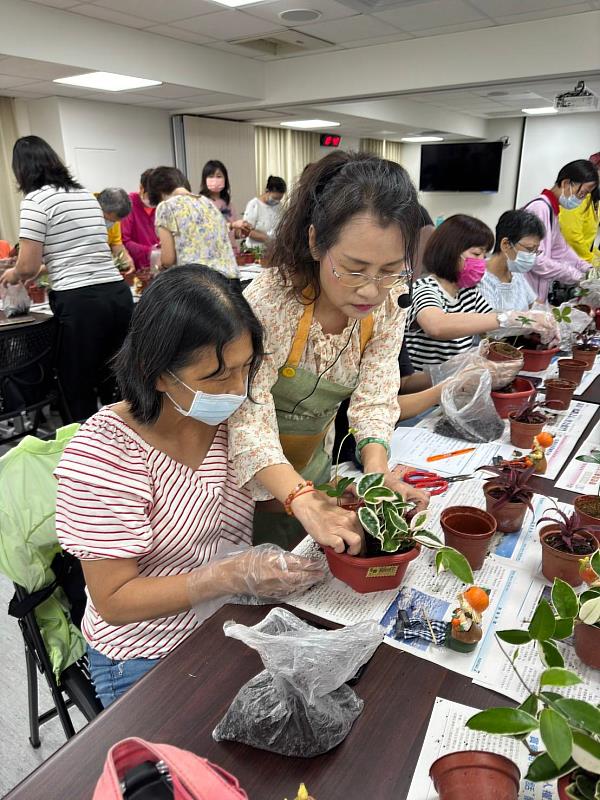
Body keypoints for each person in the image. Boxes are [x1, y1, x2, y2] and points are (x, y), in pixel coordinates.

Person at [55, 266, 324, 707]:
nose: (238, 390)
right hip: (147, 649)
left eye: (245, 369)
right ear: (155, 371)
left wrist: (314, 503)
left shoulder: (230, 422)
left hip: (230, 620)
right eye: (218, 377)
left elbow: (230, 499)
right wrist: (226, 575)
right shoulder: (105, 454)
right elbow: (115, 600)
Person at [228, 151, 431, 554]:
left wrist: (376, 471)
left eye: (390, 269)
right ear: (315, 242)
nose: (371, 290)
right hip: (246, 474)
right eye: (354, 269)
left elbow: (375, 396)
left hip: (314, 463)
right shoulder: (273, 298)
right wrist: (297, 496)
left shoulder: (390, 304)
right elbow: (248, 412)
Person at [1, 135, 133, 422]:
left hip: (81, 303)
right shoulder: (85, 195)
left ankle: (83, 451)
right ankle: (126, 442)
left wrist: (13, 273)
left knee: (76, 382)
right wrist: (36, 267)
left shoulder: (35, 201)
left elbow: (27, 266)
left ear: (21, 170)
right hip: (117, 295)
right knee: (117, 377)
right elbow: (74, 253)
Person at [404, 214, 559, 372]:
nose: (482, 262)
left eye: (484, 255)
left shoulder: (468, 293)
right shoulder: (425, 288)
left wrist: (536, 324)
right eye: (477, 254)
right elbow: (436, 326)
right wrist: (511, 318)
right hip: (424, 390)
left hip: (456, 385)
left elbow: (492, 325)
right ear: (450, 251)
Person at [523, 159, 598, 300]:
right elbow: (536, 260)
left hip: (536, 293)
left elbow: (562, 251)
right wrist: (578, 276)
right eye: (582, 193)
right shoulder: (539, 208)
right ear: (565, 184)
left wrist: (588, 269)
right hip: (526, 292)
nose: (581, 199)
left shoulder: (552, 212)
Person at [147, 166, 238, 278]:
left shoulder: (166, 206)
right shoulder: (207, 203)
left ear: (159, 193)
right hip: (230, 279)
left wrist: (160, 265)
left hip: (200, 283)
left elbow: (168, 260)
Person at [480, 210, 544, 311]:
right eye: (530, 249)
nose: (532, 256)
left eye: (536, 251)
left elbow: (535, 305)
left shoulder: (515, 273)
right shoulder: (479, 279)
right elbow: (493, 322)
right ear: (506, 244)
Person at [199, 159, 251, 252]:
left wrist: (243, 232)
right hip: (212, 253)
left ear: (225, 179)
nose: (215, 180)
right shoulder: (201, 203)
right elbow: (208, 230)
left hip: (231, 253)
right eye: (211, 176)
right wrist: (232, 225)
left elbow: (233, 234)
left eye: (219, 176)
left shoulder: (229, 204)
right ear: (204, 180)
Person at [559, 153, 600, 264]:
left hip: (579, 262)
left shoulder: (594, 200)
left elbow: (588, 239)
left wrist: (595, 255)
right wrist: (589, 260)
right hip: (568, 263)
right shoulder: (579, 197)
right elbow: (571, 235)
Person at [120, 169, 159, 272]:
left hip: (159, 265)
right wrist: (151, 251)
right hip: (138, 269)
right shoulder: (128, 204)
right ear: (141, 188)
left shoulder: (162, 207)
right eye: (152, 197)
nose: (155, 201)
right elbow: (124, 241)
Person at [96, 187, 134, 274]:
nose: (113, 224)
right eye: (111, 220)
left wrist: (126, 260)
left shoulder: (114, 213)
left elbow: (116, 243)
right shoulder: (82, 211)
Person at [243, 175, 287, 249]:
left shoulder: (280, 207)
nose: (277, 201)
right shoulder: (254, 205)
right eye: (275, 198)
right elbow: (246, 231)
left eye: (279, 199)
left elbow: (284, 226)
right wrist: (267, 239)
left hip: (273, 251)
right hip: (255, 250)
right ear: (267, 191)